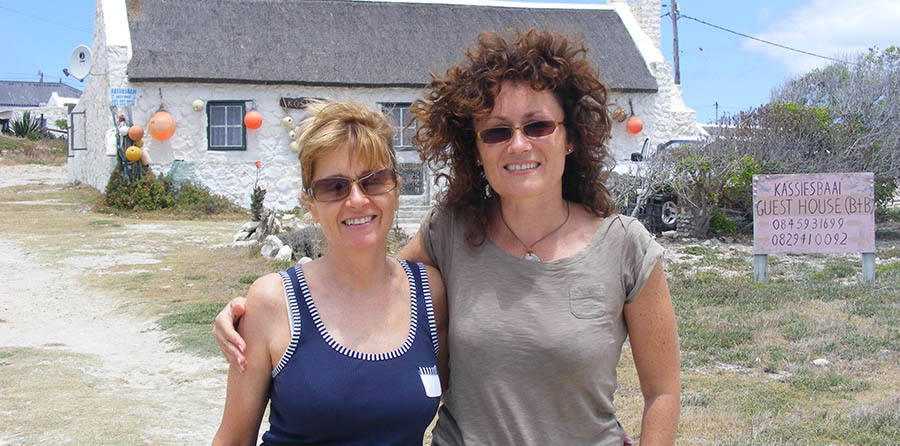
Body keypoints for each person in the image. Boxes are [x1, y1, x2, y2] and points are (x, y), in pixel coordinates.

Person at [216, 30, 679, 445]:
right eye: (497, 132)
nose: (518, 144)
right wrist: (253, 313)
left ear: (571, 136)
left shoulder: (626, 248)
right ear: (476, 149)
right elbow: (365, 283)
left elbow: (662, 393)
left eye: (537, 126)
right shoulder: (453, 232)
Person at [212, 99, 448, 446]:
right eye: (334, 187)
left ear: (396, 190)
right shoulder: (272, 302)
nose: (356, 200)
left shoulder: (429, 294)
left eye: (373, 181)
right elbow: (233, 439)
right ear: (311, 205)